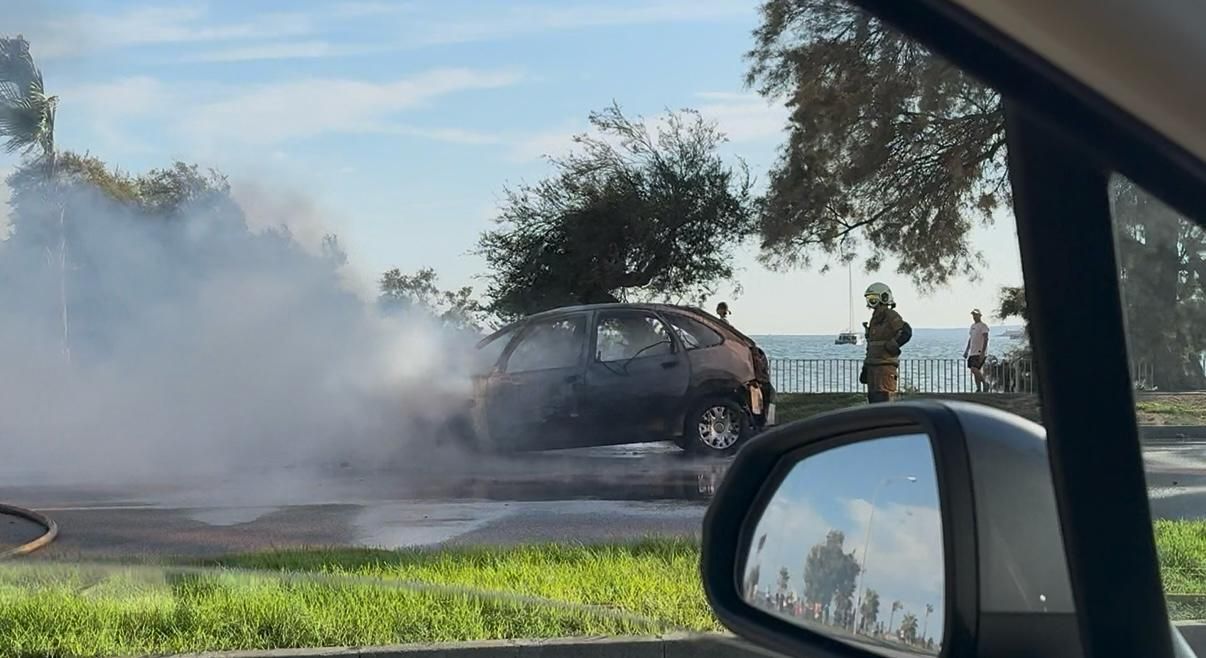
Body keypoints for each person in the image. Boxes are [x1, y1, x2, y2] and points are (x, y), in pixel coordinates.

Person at [859, 282, 912, 404]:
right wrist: (866, 367)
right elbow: (871, 346)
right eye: (869, 299)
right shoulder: (874, 319)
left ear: (883, 297)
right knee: (874, 404)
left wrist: (892, 346)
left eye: (873, 298)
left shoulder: (890, 315)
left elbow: (906, 332)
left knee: (884, 402)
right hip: (873, 368)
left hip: (885, 369)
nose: (871, 302)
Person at [964, 308, 991, 392]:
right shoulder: (972, 326)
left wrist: (983, 352)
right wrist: (967, 350)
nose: (974, 316)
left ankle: (985, 383)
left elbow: (986, 339)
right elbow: (970, 339)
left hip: (979, 352)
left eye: (976, 315)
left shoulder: (983, 326)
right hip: (972, 352)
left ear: (980, 315)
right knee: (975, 371)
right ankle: (979, 388)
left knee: (974, 368)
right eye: (973, 315)